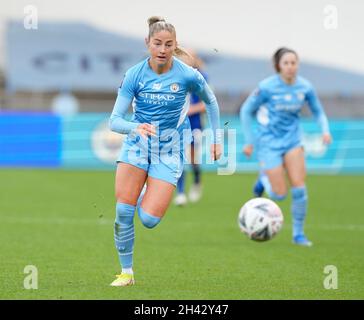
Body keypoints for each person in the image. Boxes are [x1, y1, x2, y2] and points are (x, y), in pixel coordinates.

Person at [109, 16, 222, 286]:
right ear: (147, 43)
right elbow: (115, 120)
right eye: (157, 43)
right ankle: (126, 273)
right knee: (123, 212)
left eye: (168, 44)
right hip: (136, 147)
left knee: (148, 220)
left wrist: (217, 140)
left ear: (175, 46)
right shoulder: (135, 75)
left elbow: (212, 102)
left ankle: (145, 191)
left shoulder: (187, 74)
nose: (162, 49)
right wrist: (135, 129)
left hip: (170, 151)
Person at [240, 47, 332, 247]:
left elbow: (318, 112)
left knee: (299, 188)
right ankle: (264, 180)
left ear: (297, 65)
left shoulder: (305, 87)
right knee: (279, 195)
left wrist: (325, 130)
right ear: (278, 66)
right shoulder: (266, 87)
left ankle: (298, 234)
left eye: (294, 63)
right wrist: (249, 141)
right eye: (286, 63)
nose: (290, 67)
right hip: (269, 143)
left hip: (293, 141)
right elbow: (246, 110)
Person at [174, 49, 207, 206]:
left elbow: (206, 104)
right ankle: (180, 193)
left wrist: (189, 110)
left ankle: (197, 181)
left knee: (193, 159)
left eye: (189, 57)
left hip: (194, 123)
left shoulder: (201, 78)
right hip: (178, 124)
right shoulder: (175, 76)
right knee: (180, 156)